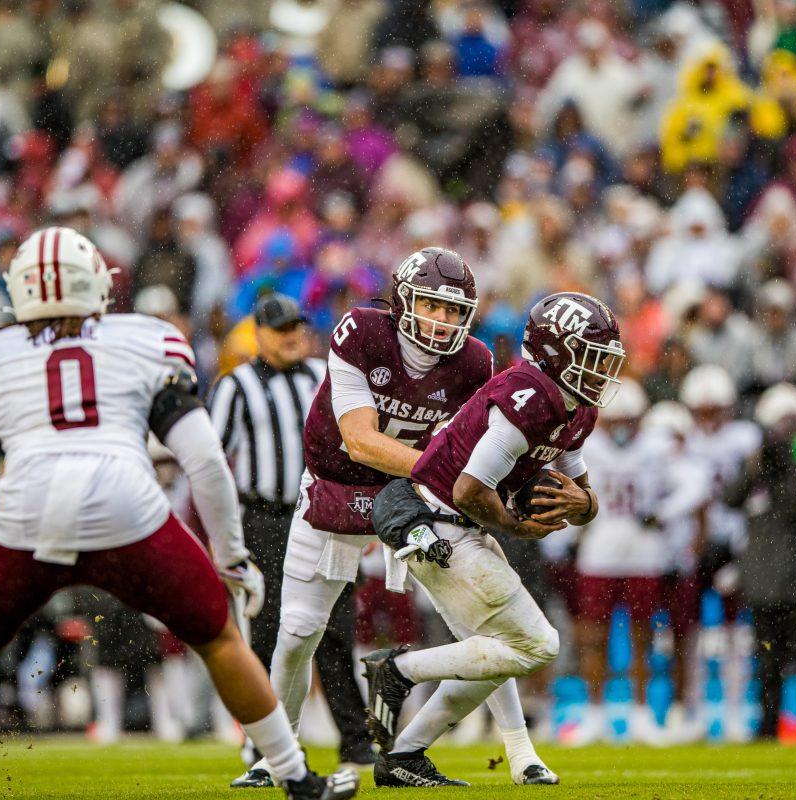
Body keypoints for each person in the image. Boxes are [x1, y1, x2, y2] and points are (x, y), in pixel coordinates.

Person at [0, 227, 356, 800]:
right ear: (97, 281)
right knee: (220, 639)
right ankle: (296, 778)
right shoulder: (146, 341)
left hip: (28, 517)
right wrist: (232, 558)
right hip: (128, 510)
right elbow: (204, 460)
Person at [262, 248, 554, 786]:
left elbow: (479, 447)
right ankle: (272, 753)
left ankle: (520, 752)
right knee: (300, 630)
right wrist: (443, 470)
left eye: (453, 310)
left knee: (481, 622)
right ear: (402, 301)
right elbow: (360, 440)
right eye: (431, 306)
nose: (442, 321)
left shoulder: (473, 362)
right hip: (338, 485)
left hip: (413, 495)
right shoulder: (362, 332)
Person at [363, 292, 623, 786]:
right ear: (555, 352)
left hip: (461, 521)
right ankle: (400, 670)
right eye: (592, 355)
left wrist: (584, 506)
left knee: (495, 648)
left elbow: (581, 492)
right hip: (433, 520)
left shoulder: (576, 406)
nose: (601, 369)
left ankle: (411, 756)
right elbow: (469, 488)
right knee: (539, 644)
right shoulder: (528, 397)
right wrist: (520, 526)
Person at [208, 294, 374, 785]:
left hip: (325, 514)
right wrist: (227, 536)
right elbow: (214, 461)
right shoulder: (235, 386)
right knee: (268, 632)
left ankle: (356, 740)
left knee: (336, 628)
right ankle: (266, 740)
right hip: (265, 517)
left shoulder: (324, 374)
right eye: (281, 328)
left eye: (297, 326)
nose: (292, 335)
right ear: (258, 333)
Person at [573, 388, 710, 744]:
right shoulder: (588, 447)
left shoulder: (657, 447)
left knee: (641, 636)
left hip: (643, 553)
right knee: (594, 637)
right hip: (600, 549)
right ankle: (595, 713)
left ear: (639, 421)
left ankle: (640, 712)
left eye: (628, 421)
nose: (622, 428)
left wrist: (664, 512)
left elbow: (696, 483)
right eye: (616, 420)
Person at [725, 383, 796, 741]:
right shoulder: (755, 460)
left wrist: (787, 471)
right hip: (762, 575)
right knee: (768, 659)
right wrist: (757, 468)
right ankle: (769, 722)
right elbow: (731, 498)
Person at [678, 364, 761, 741]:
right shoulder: (682, 438)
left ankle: (734, 711)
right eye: (703, 410)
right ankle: (692, 710)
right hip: (693, 541)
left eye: (715, 409)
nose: (709, 417)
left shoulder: (744, 439)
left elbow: (755, 496)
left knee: (735, 633)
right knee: (689, 631)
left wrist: (746, 551)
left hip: (733, 541)